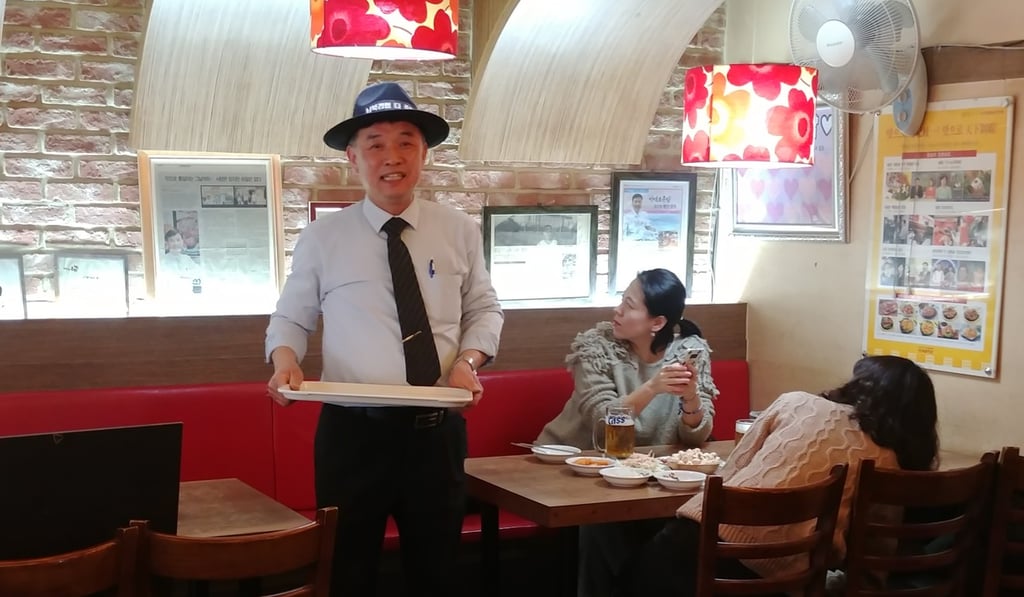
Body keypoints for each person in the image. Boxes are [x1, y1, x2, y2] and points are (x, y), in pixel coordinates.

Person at [265, 82, 504, 597]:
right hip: (353, 438)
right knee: (347, 576)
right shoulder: (322, 238)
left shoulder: (459, 229)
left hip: (435, 435)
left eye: (405, 142)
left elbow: (484, 309)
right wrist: (285, 361)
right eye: (375, 143)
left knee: (435, 576)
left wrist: (469, 360)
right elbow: (290, 318)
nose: (391, 157)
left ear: (423, 153)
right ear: (353, 157)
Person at [614, 355, 939, 597]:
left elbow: (731, 472)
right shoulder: (886, 460)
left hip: (685, 549)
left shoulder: (794, 402)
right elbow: (875, 556)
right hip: (775, 584)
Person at [536, 268, 718, 597]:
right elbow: (604, 424)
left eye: (630, 305)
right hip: (576, 469)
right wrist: (653, 387)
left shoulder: (689, 351)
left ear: (658, 322)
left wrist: (690, 396)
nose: (618, 311)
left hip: (646, 477)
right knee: (602, 523)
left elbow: (695, 438)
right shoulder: (595, 347)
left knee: (685, 530)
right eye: (621, 300)